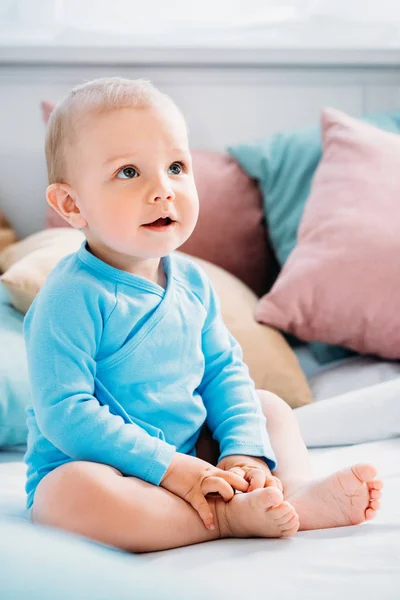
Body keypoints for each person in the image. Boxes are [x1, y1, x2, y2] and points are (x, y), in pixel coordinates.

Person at [24, 78, 382, 553]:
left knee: (268, 407)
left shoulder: (192, 281)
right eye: (129, 172)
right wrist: (168, 469)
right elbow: (65, 414)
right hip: (108, 466)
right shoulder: (69, 296)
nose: (163, 190)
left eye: (175, 166)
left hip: (197, 456)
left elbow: (222, 372)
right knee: (64, 497)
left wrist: (241, 451)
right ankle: (227, 519)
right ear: (71, 204)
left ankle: (289, 495)